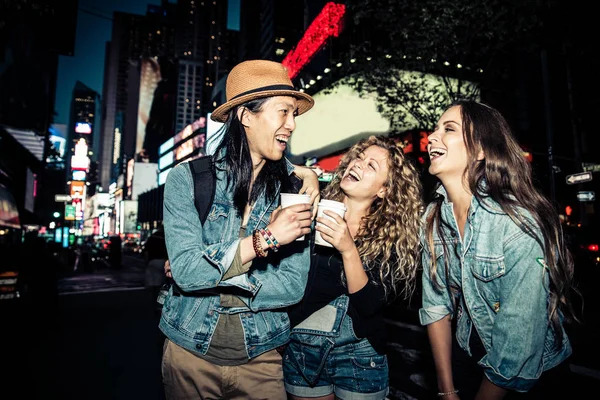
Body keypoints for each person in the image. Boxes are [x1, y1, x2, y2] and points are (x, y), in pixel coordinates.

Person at [160, 59, 320, 400]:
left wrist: (214, 274)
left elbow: (292, 286)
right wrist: (266, 241)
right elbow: (188, 273)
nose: (292, 124)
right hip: (189, 355)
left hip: (261, 360)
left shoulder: (295, 191)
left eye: (294, 114)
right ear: (246, 116)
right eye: (283, 112)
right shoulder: (186, 180)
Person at [419, 100, 577, 399]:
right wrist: (446, 390)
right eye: (435, 128)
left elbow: (517, 346)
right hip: (471, 358)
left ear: (480, 150)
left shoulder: (516, 222)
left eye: (448, 129)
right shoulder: (432, 217)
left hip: (535, 377)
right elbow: (436, 305)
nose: (432, 137)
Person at [283, 135, 424, 400]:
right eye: (359, 158)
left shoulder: (390, 237)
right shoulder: (312, 209)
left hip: (360, 354)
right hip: (303, 349)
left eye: (372, 165)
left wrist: (348, 249)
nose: (358, 164)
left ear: (384, 189)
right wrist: (310, 177)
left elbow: (369, 305)